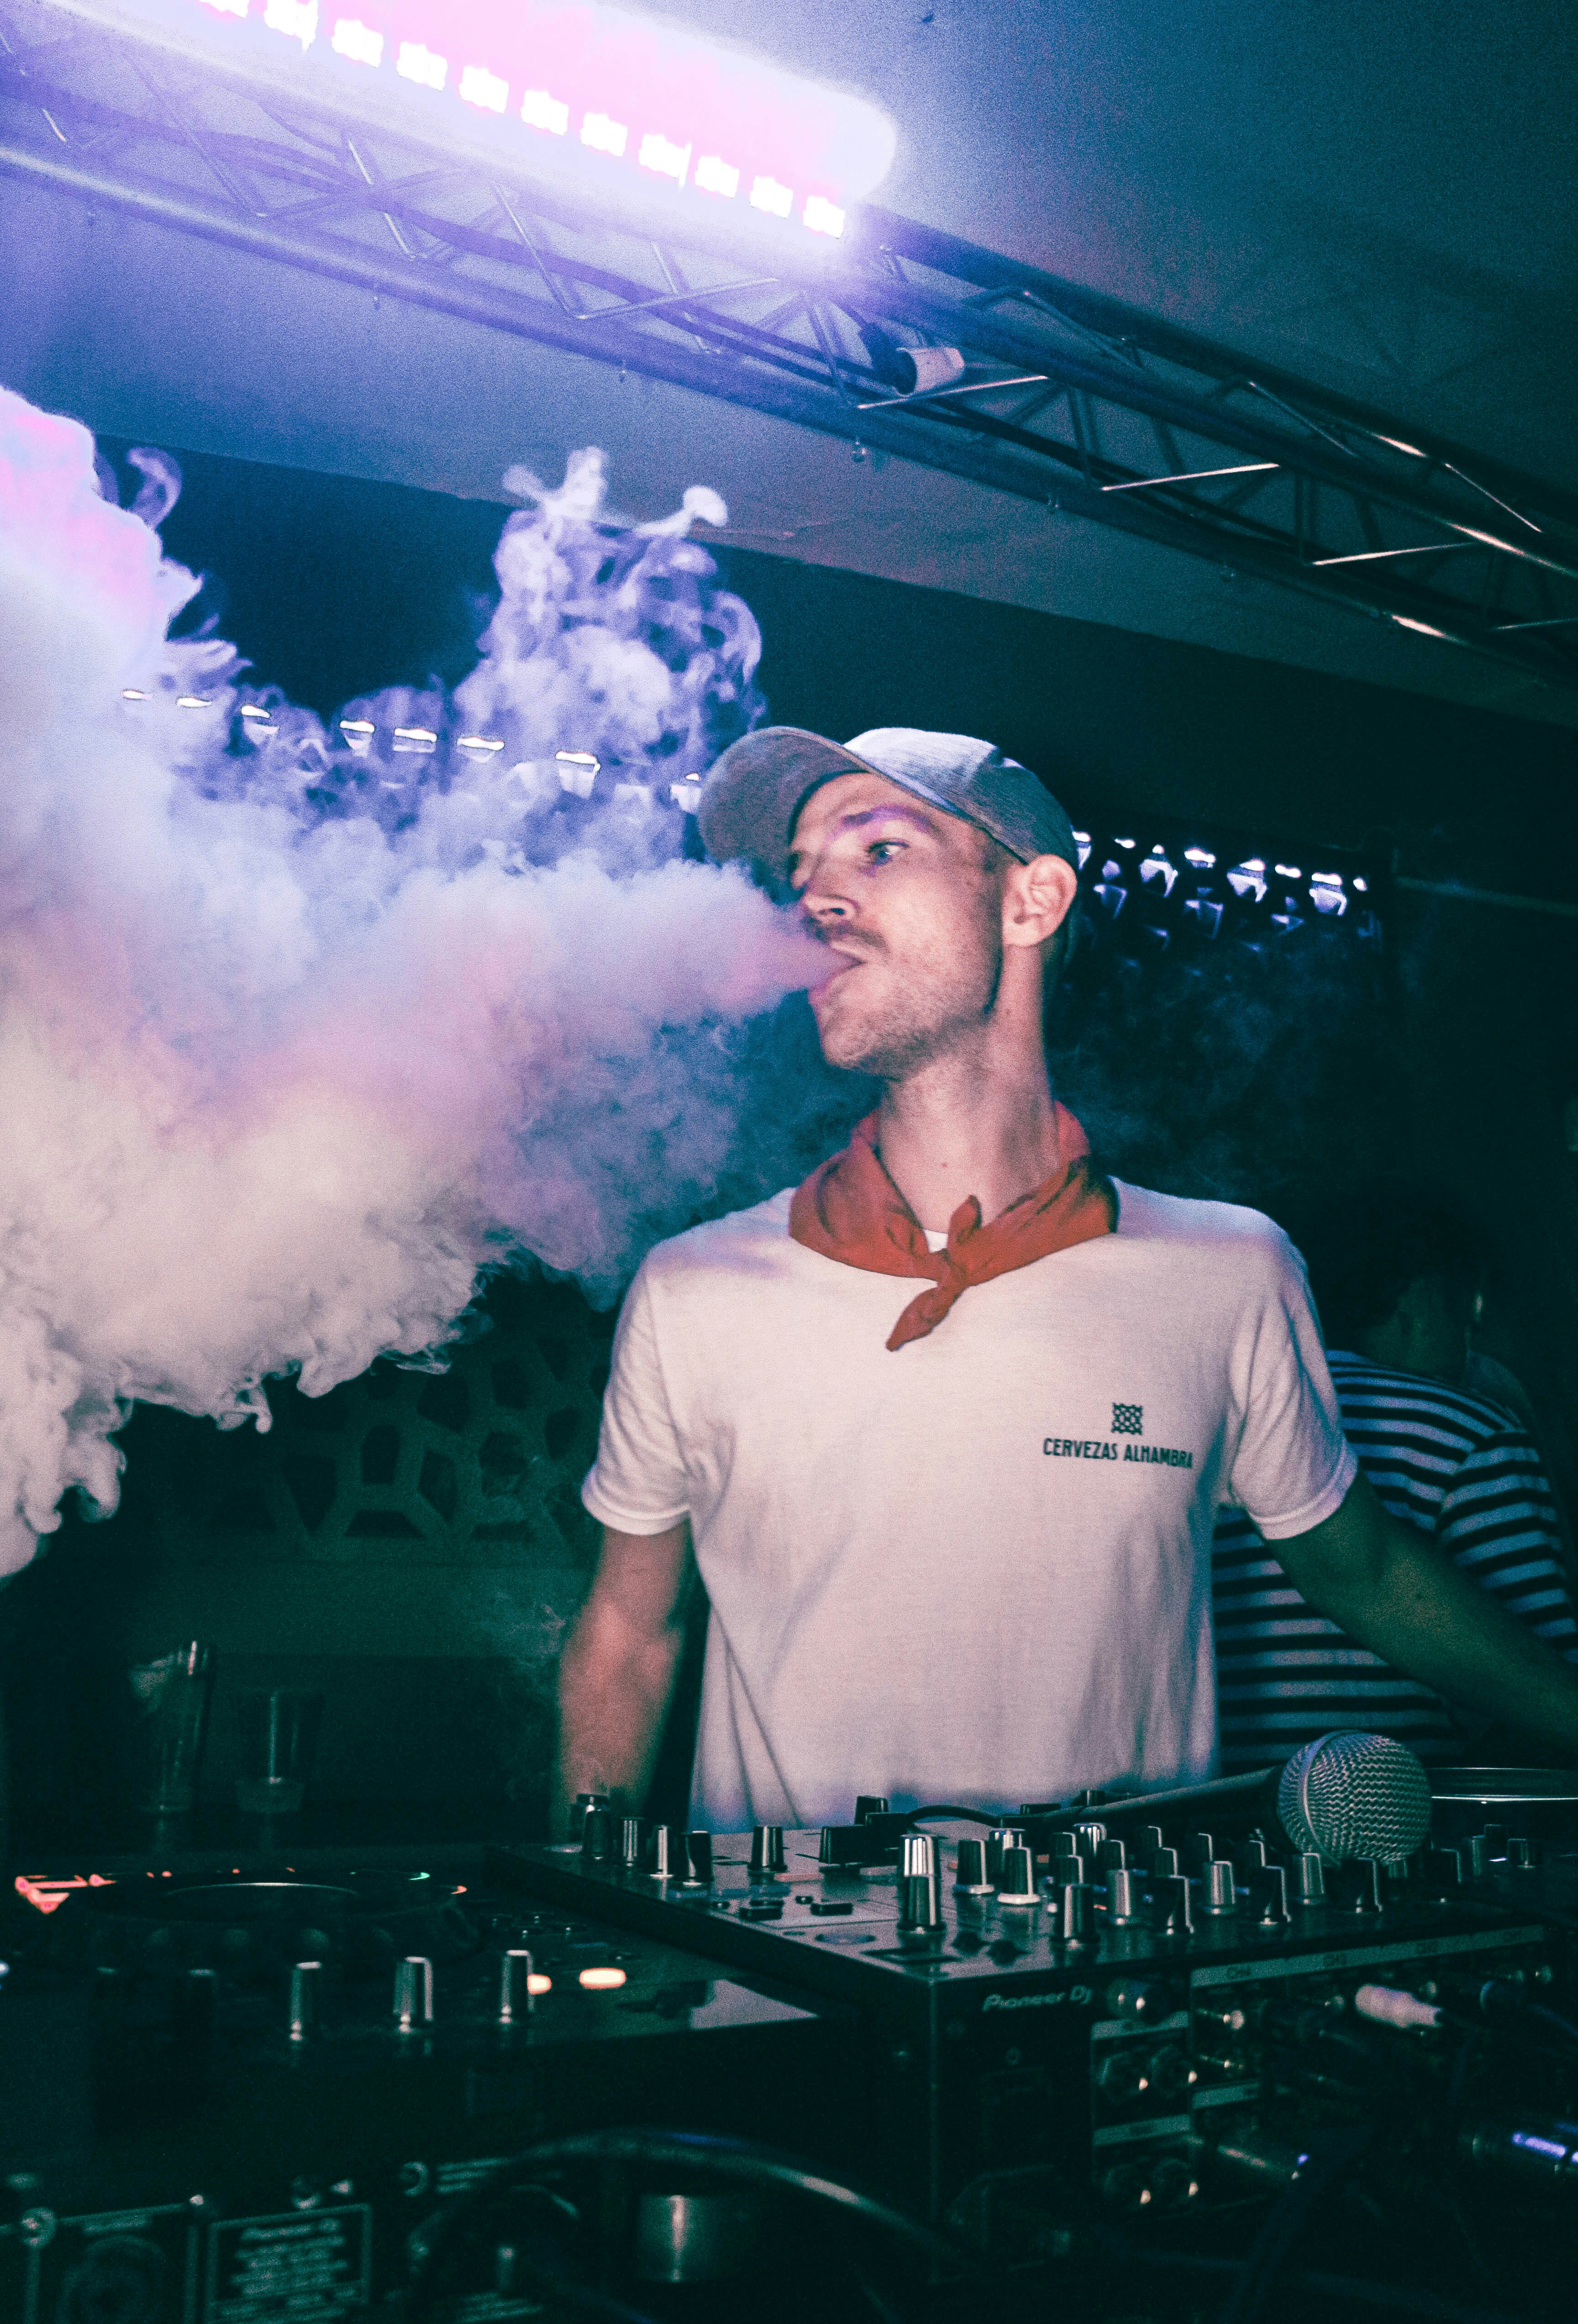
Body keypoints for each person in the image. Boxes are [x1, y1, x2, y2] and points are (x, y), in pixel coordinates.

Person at [555, 727, 1578, 1833]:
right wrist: (571, 1921)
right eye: (798, 875)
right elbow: (627, 1630)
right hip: (783, 1990)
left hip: (1125, 1991)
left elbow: (1364, 1571)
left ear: (1029, 901)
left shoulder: (1228, 1270)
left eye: (878, 851)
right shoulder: (696, 1287)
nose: (815, 903)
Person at [1215, 1181, 1578, 1766]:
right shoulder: (1471, 1434)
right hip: (1406, 1833)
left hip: (1198, 1827)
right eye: (1470, 1308)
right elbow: (1549, 1702)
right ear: (1421, 1301)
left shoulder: (1213, 1423)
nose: (1472, 1338)